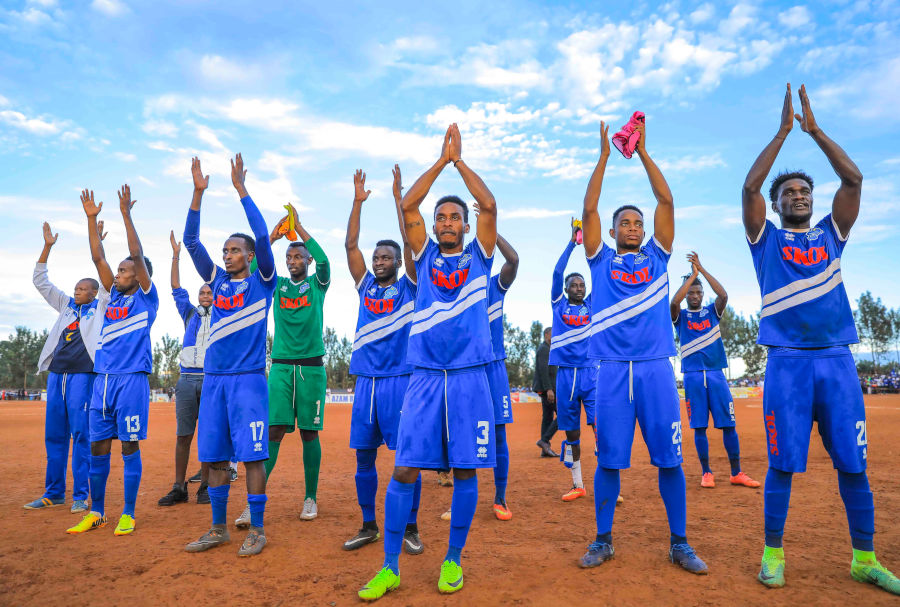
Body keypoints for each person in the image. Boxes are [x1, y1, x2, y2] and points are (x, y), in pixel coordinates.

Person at [743, 84, 898, 594]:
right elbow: (748, 190)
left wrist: (814, 131)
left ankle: (864, 558)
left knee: (854, 462)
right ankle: (772, 554)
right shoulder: (765, 240)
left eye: (804, 191)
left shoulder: (833, 232)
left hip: (836, 360)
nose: (799, 196)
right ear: (777, 203)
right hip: (786, 362)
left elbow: (853, 177)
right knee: (782, 464)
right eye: (789, 192)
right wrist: (782, 133)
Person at [357, 123, 497, 600]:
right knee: (403, 470)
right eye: (441, 217)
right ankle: (390, 565)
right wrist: (440, 162)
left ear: (465, 223)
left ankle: (452, 561)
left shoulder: (481, 255)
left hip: (468, 377)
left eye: (455, 216)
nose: (446, 222)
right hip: (423, 379)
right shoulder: (422, 257)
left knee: (464, 472)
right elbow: (408, 206)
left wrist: (461, 163)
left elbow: (491, 207)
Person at [578, 120, 707, 574]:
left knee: (670, 461)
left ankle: (679, 542)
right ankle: (603, 540)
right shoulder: (600, 260)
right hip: (611, 370)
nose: (633, 227)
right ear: (612, 231)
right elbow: (589, 209)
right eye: (625, 223)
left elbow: (666, 201)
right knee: (609, 463)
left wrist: (645, 154)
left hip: (655, 369)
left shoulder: (658, 255)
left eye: (637, 222)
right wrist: (604, 159)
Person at [182, 155, 275, 557]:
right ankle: (218, 527)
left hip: (249, 381)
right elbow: (191, 242)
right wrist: (197, 194)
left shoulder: (263, 281)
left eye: (235, 250)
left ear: (250, 256)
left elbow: (263, 236)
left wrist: (241, 192)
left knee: (253, 457)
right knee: (215, 456)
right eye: (225, 250)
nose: (226, 255)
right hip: (214, 380)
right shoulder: (216, 281)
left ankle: (257, 528)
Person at [67, 185, 158, 538]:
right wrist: (91, 220)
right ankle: (98, 512)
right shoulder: (108, 298)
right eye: (118, 270)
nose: (117, 274)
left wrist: (126, 214)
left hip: (131, 380)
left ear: (138, 275)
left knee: (129, 447)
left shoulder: (147, 299)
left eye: (124, 270)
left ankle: (128, 513)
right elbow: (97, 258)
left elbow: (136, 252)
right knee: (97, 447)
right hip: (101, 380)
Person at [234, 197, 330, 527]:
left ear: (306, 260)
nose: (292, 261)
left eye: (297, 256)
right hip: (281, 367)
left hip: (312, 369)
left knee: (308, 433)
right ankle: (253, 503)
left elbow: (325, 260)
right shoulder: (276, 286)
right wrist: (274, 239)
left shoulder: (318, 284)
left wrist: (299, 227)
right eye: (288, 257)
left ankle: (310, 497)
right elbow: (261, 263)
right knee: (273, 432)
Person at [343, 165, 423, 554]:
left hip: (401, 381)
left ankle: (410, 527)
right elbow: (350, 247)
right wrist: (357, 203)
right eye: (376, 256)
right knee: (364, 458)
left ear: (396, 260)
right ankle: (368, 524)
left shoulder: (410, 285)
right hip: (366, 382)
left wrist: (397, 199)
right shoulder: (365, 287)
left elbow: (411, 245)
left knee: (408, 457)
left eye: (385, 256)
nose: (378, 260)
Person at [27, 221, 109, 513]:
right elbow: (41, 282)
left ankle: (81, 496)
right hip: (57, 375)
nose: (77, 291)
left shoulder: (101, 308)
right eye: (76, 287)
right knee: (54, 435)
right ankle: (54, 492)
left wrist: (98, 243)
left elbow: (105, 278)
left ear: (94, 293)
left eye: (84, 288)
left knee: (82, 435)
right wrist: (47, 247)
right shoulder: (65, 306)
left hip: (82, 378)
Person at [669, 252, 759, 490]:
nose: (695, 295)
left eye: (698, 292)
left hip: (717, 374)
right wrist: (691, 278)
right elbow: (673, 303)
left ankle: (736, 472)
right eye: (691, 292)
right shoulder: (681, 316)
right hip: (693, 376)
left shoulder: (712, 312)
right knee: (699, 427)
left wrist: (702, 270)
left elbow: (723, 294)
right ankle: (706, 472)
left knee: (729, 425)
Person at [158, 230, 214, 507]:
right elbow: (175, 287)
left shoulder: (224, 316)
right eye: (201, 292)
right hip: (186, 380)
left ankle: (205, 485)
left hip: (211, 379)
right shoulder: (189, 313)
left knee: (207, 434)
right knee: (183, 435)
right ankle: (179, 487)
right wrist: (176, 256)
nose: (204, 294)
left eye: (209, 292)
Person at [549, 221, 597, 502]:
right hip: (566, 375)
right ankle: (578, 483)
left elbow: (600, 274)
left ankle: (607, 481)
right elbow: (557, 271)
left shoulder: (592, 305)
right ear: (566, 289)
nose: (578, 287)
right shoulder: (558, 306)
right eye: (574, 285)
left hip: (591, 373)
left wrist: (589, 243)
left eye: (582, 285)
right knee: (573, 432)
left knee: (599, 427)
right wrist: (572, 243)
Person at [485, 234, 519, 520]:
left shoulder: (494, 284)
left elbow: (514, 260)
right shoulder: (453, 283)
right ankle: (459, 495)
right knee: (459, 434)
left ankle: (500, 498)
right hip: (465, 368)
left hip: (493, 367)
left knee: (498, 434)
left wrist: (492, 230)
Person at [533, 327, 558, 457]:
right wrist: (549, 389)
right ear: (547, 334)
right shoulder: (544, 349)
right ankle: (544, 440)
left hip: (548, 389)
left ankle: (545, 448)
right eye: (553, 334)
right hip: (548, 389)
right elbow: (543, 370)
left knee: (547, 417)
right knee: (564, 414)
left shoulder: (548, 349)